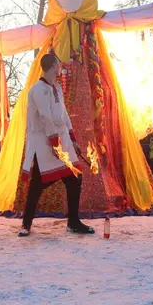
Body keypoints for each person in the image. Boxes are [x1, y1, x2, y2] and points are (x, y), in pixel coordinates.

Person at [18, 53, 94, 237]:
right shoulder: (38, 89)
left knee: (75, 178)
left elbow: (64, 115)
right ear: (52, 66)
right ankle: (26, 224)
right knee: (37, 184)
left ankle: (73, 222)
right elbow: (45, 117)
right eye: (58, 64)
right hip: (45, 143)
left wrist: (72, 139)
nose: (61, 66)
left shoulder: (56, 88)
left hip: (61, 141)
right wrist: (54, 143)